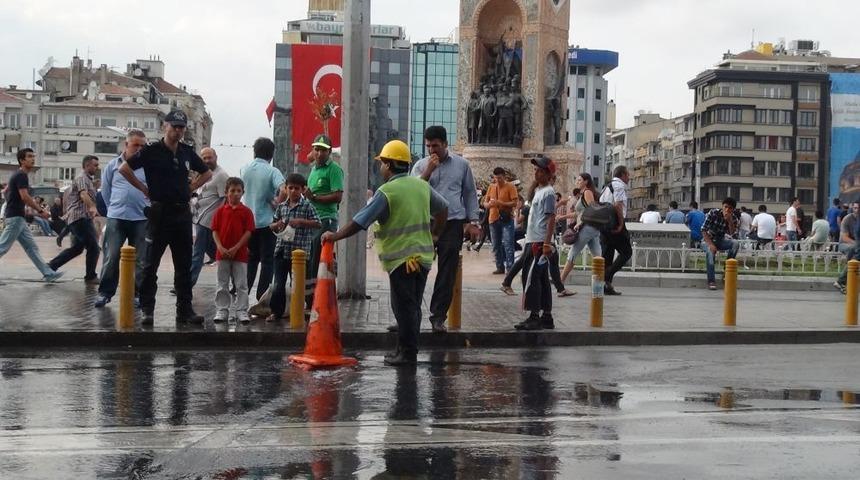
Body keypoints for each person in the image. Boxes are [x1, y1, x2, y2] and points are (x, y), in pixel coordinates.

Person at [323, 140, 448, 365]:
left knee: (404, 307)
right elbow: (443, 208)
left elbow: (359, 222)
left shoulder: (387, 191)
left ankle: (407, 354)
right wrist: (436, 233)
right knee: (413, 306)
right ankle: (404, 350)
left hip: (402, 259)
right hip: (424, 258)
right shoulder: (420, 186)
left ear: (389, 165)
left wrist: (335, 236)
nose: (380, 167)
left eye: (382, 163)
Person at [119, 109, 213, 325]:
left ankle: (185, 310)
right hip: (159, 212)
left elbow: (206, 172)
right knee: (150, 264)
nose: (178, 131)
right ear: (165, 127)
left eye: (181, 128)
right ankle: (147, 309)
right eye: (174, 127)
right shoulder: (152, 150)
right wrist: (143, 188)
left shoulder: (186, 152)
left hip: (181, 212)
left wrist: (192, 186)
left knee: (183, 265)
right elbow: (124, 168)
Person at [411, 125, 480, 333]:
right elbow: (413, 190)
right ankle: (409, 315)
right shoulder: (420, 166)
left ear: (445, 144)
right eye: (428, 146)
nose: (432, 150)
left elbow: (469, 194)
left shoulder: (461, 165)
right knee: (415, 269)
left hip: (452, 222)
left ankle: (438, 316)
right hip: (426, 222)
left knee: (447, 271)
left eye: (436, 146)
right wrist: (428, 171)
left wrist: (473, 222)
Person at [94, 130, 148, 308]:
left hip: (141, 218)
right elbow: (106, 191)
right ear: (126, 145)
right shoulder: (112, 165)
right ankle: (105, 292)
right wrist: (113, 208)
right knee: (112, 255)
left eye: (142, 145)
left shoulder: (148, 166)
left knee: (140, 259)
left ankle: (138, 294)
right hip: (117, 217)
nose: (139, 149)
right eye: (136, 145)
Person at [0, 148, 63, 282]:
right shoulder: (21, 175)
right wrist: (40, 211)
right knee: (3, 246)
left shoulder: (17, 175)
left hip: (18, 217)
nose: (33, 159)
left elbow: (6, 192)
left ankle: (48, 274)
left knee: (31, 248)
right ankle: (48, 273)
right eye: (29, 156)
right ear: (22, 160)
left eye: (33, 156)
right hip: (15, 218)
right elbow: (25, 196)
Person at [268, 173, 321, 323]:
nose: (293, 191)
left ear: (303, 190)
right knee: (278, 284)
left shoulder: (307, 206)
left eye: (296, 188)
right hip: (281, 250)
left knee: (297, 284)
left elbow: (318, 223)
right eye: (290, 188)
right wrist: (276, 225)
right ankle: (276, 312)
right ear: (285, 188)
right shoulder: (281, 206)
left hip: (300, 252)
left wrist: (301, 222)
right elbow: (272, 224)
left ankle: (297, 311)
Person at [513, 156, 557, 330]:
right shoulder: (539, 191)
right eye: (535, 170)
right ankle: (546, 315)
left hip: (539, 241)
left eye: (539, 170)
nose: (536, 173)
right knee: (542, 279)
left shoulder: (548, 193)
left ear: (547, 173)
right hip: (533, 239)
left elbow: (551, 219)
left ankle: (534, 316)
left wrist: (546, 243)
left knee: (531, 278)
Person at [240, 137, 285, 300]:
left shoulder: (244, 169)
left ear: (254, 151)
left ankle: (243, 294)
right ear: (271, 154)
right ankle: (262, 297)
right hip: (267, 223)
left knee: (251, 259)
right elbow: (284, 190)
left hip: (248, 222)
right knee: (267, 261)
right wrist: (277, 206)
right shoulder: (273, 171)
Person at [48, 155, 101, 283]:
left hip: (79, 218)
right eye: (95, 165)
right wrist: (92, 207)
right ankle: (90, 276)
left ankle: (51, 266)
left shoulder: (87, 179)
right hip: (80, 218)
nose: (97, 167)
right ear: (87, 165)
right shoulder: (82, 178)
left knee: (77, 249)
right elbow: (83, 194)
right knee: (94, 247)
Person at [209, 177, 255, 323]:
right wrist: (220, 247)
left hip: (240, 254)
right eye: (232, 191)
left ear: (243, 192)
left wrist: (236, 248)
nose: (235, 194)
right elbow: (214, 230)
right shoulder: (220, 211)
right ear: (226, 192)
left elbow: (248, 232)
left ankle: (241, 310)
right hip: (222, 254)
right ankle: (222, 309)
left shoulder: (246, 212)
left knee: (241, 284)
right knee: (222, 283)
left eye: (238, 191)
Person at [305, 133, 344, 307]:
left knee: (316, 259)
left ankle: (316, 298)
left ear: (329, 152)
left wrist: (315, 198)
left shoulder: (334, 169)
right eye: (316, 149)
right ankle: (309, 297)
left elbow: (337, 196)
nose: (319, 153)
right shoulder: (313, 169)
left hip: (325, 219)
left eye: (323, 150)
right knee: (308, 259)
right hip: (311, 220)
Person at [190, 147, 230, 288]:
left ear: (216, 157)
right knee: (213, 251)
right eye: (204, 158)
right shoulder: (202, 174)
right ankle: (236, 276)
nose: (207, 161)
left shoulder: (221, 175)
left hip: (207, 219)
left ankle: (186, 285)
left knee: (198, 252)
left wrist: (218, 220)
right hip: (198, 217)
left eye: (209, 157)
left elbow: (226, 199)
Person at [560, 173, 603, 284]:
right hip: (592, 228)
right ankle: (599, 284)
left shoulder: (587, 192)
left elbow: (592, 209)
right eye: (577, 180)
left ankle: (560, 281)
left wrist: (581, 223)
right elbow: (578, 213)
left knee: (573, 254)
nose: (577, 182)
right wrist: (562, 217)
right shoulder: (583, 193)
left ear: (586, 181)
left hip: (587, 228)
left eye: (579, 180)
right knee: (597, 256)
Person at [599, 165, 632, 295]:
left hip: (604, 225)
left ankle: (606, 285)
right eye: (628, 175)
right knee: (626, 252)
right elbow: (618, 204)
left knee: (608, 255)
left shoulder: (606, 187)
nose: (629, 178)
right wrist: (620, 224)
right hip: (614, 223)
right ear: (623, 175)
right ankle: (608, 274)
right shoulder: (619, 186)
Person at [701, 197, 740, 291]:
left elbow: (732, 233)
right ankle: (711, 281)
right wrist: (710, 244)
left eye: (730, 208)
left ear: (733, 209)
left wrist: (730, 220)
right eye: (725, 207)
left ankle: (727, 271)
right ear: (722, 206)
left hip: (720, 240)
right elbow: (703, 229)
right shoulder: (713, 213)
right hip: (707, 239)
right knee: (710, 253)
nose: (727, 210)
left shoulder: (734, 218)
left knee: (735, 243)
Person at [484, 167, 517, 274]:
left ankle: (510, 268)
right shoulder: (491, 187)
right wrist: (489, 205)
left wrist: (500, 203)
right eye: (496, 178)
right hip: (493, 219)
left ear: (504, 177)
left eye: (500, 178)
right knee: (496, 245)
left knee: (508, 244)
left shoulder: (510, 186)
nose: (498, 180)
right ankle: (499, 267)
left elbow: (514, 203)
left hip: (506, 219)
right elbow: (485, 203)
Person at [834, 202, 860, 293]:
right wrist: (857, 244)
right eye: (855, 208)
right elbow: (844, 238)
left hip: (856, 246)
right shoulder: (847, 219)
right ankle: (842, 280)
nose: (857, 210)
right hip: (845, 244)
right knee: (854, 249)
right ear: (852, 208)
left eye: (858, 208)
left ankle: (842, 281)